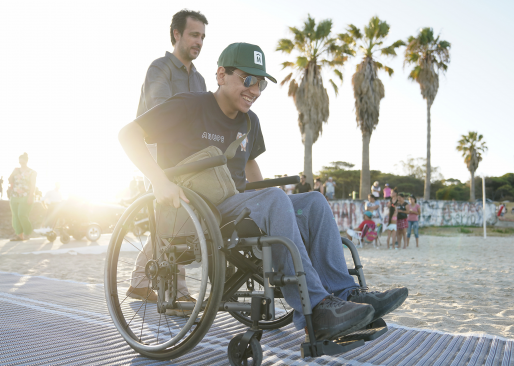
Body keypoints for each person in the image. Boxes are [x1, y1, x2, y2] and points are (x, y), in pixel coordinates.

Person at [118, 42, 408, 340]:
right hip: (197, 209)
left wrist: (278, 202)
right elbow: (128, 134)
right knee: (275, 200)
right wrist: (159, 181)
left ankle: (347, 295)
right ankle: (316, 309)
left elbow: (252, 170)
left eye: (260, 84)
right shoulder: (189, 105)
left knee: (314, 202)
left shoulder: (249, 121)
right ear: (220, 75)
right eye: (247, 80)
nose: (254, 90)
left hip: (236, 206)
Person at [130, 9, 209, 312]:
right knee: (172, 211)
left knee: (181, 213)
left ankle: (145, 281)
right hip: (155, 148)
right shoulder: (160, 68)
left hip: (188, 152)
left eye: (202, 36)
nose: (198, 41)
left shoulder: (200, 79)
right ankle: (170, 286)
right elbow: (160, 113)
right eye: (193, 34)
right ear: (177, 34)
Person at [8, 153, 37, 241]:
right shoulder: (16, 170)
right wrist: (13, 174)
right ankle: (19, 236)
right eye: (19, 159)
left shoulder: (32, 172)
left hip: (25, 196)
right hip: (14, 195)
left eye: (22, 159)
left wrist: (30, 197)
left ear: (26, 160)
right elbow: (9, 180)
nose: (21, 161)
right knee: (15, 216)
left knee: (22, 215)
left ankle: (27, 233)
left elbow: (33, 185)